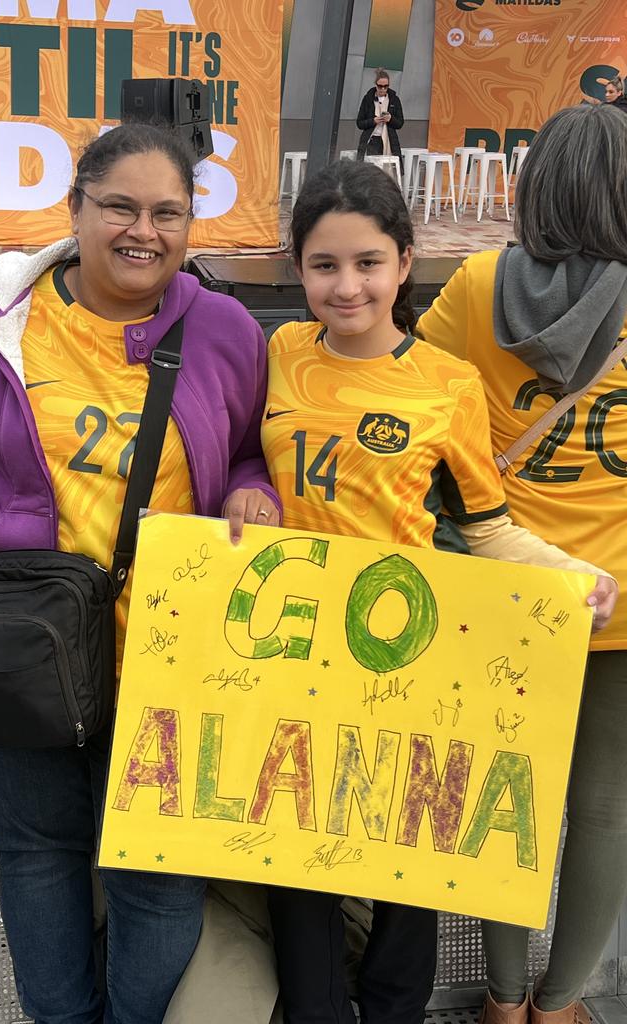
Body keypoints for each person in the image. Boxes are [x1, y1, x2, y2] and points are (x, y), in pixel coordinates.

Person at [0, 122, 280, 1024]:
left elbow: (251, 449)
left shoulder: (225, 330)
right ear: (75, 208)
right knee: (40, 853)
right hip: (16, 646)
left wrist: (252, 491)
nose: (144, 230)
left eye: (169, 212)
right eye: (120, 207)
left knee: (159, 877)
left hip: (170, 656)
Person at [260, 158, 618, 1024]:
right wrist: (250, 488)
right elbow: (238, 453)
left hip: (403, 660)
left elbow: (487, 524)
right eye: (325, 265)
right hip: (294, 651)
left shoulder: (448, 386)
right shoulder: (277, 352)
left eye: (369, 263)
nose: (347, 287)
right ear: (297, 268)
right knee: (297, 859)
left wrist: (571, 574)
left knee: (404, 862)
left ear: (406, 261)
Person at [416, 102, 627, 1024]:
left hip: (503, 590)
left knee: (506, 797)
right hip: (620, 599)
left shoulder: (471, 286)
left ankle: (502, 1004)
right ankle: (564, 1004)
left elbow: (407, 398)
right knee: (607, 812)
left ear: (533, 182)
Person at [356, 68, 404, 166]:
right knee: (370, 168)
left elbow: (400, 123)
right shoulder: (368, 99)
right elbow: (359, 123)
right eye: (380, 86)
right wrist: (373, 121)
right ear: (376, 85)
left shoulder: (394, 99)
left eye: (386, 86)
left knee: (388, 168)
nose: (383, 89)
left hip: (389, 140)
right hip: (371, 139)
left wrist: (390, 119)